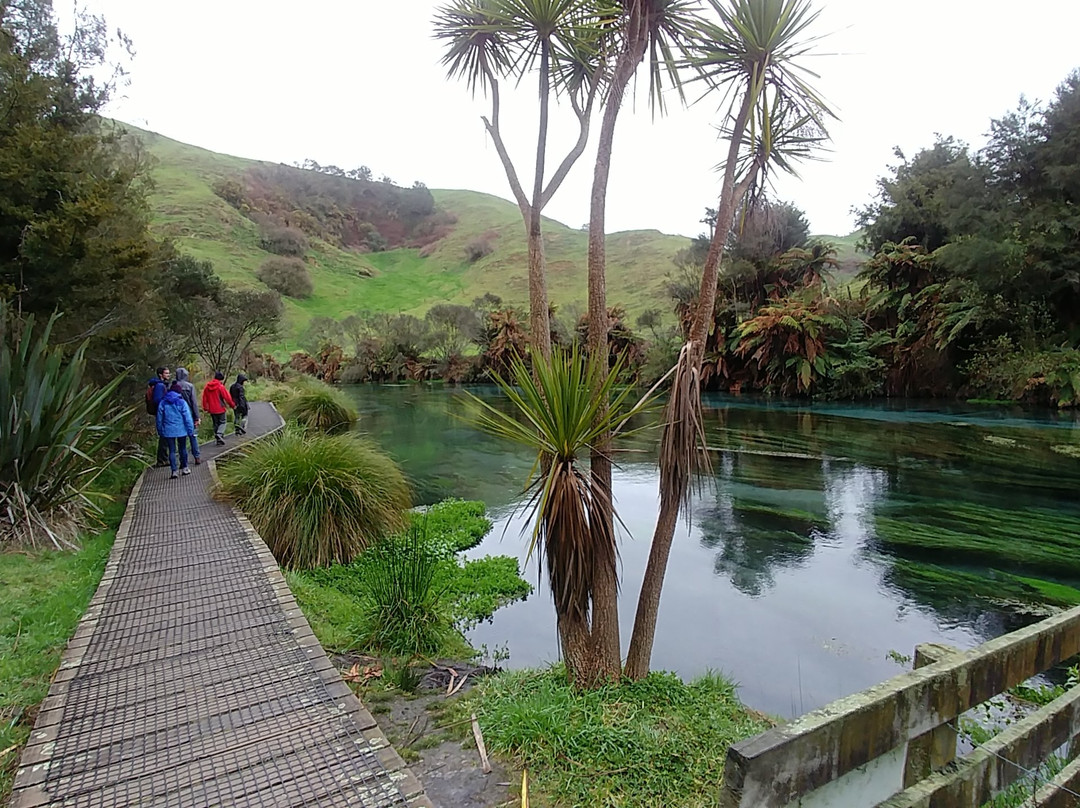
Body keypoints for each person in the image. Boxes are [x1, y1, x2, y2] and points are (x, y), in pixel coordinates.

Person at [156, 386, 195, 479]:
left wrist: (160, 430)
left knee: (172, 450)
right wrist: (190, 430)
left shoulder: (163, 402)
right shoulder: (181, 402)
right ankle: (185, 468)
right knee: (183, 448)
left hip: (168, 431)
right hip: (181, 430)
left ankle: (174, 471)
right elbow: (187, 417)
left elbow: (159, 419)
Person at [171, 367, 201, 465]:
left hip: (177, 416)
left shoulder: (173, 386)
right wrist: (197, 417)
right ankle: (197, 456)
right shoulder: (190, 386)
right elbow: (194, 403)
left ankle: (183, 461)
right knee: (193, 436)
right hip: (190, 415)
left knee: (181, 439)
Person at [145, 367, 171, 467]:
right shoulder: (160, 386)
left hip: (160, 413)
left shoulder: (159, 385)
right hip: (162, 414)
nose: (168, 375)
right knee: (164, 436)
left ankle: (163, 458)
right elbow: (157, 400)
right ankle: (162, 459)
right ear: (161, 375)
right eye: (166, 373)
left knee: (164, 436)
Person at [201, 371, 235, 446]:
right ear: (221, 379)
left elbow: (204, 398)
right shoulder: (220, 386)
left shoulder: (207, 387)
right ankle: (219, 434)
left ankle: (218, 440)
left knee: (215, 424)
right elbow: (227, 397)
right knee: (223, 422)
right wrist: (232, 405)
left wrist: (205, 407)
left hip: (212, 409)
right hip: (220, 408)